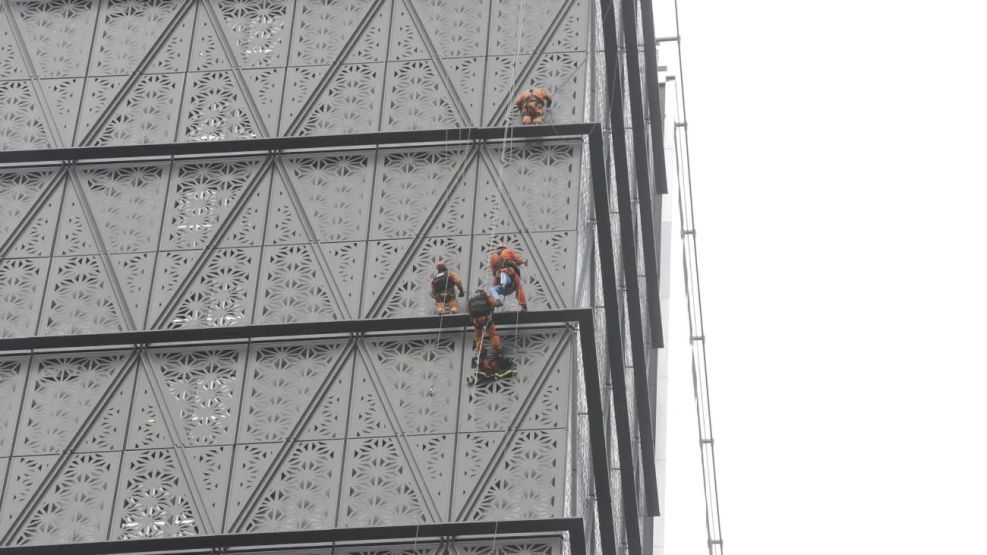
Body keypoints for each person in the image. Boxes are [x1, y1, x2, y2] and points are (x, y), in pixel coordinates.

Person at [488, 244, 527, 311]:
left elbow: (493, 270)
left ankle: (494, 305)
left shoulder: (492, 257)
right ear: (504, 248)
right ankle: (523, 306)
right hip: (509, 280)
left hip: (501, 278)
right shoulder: (508, 251)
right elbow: (517, 260)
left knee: (492, 289)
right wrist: (522, 262)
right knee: (519, 288)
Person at [467, 288, 501, 355]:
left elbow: (469, 311)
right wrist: (496, 303)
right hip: (485, 317)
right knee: (492, 334)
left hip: (476, 320)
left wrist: (473, 321)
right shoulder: (485, 294)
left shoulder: (471, 299)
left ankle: (482, 351)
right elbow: (492, 301)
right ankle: (497, 348)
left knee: (479, 337)